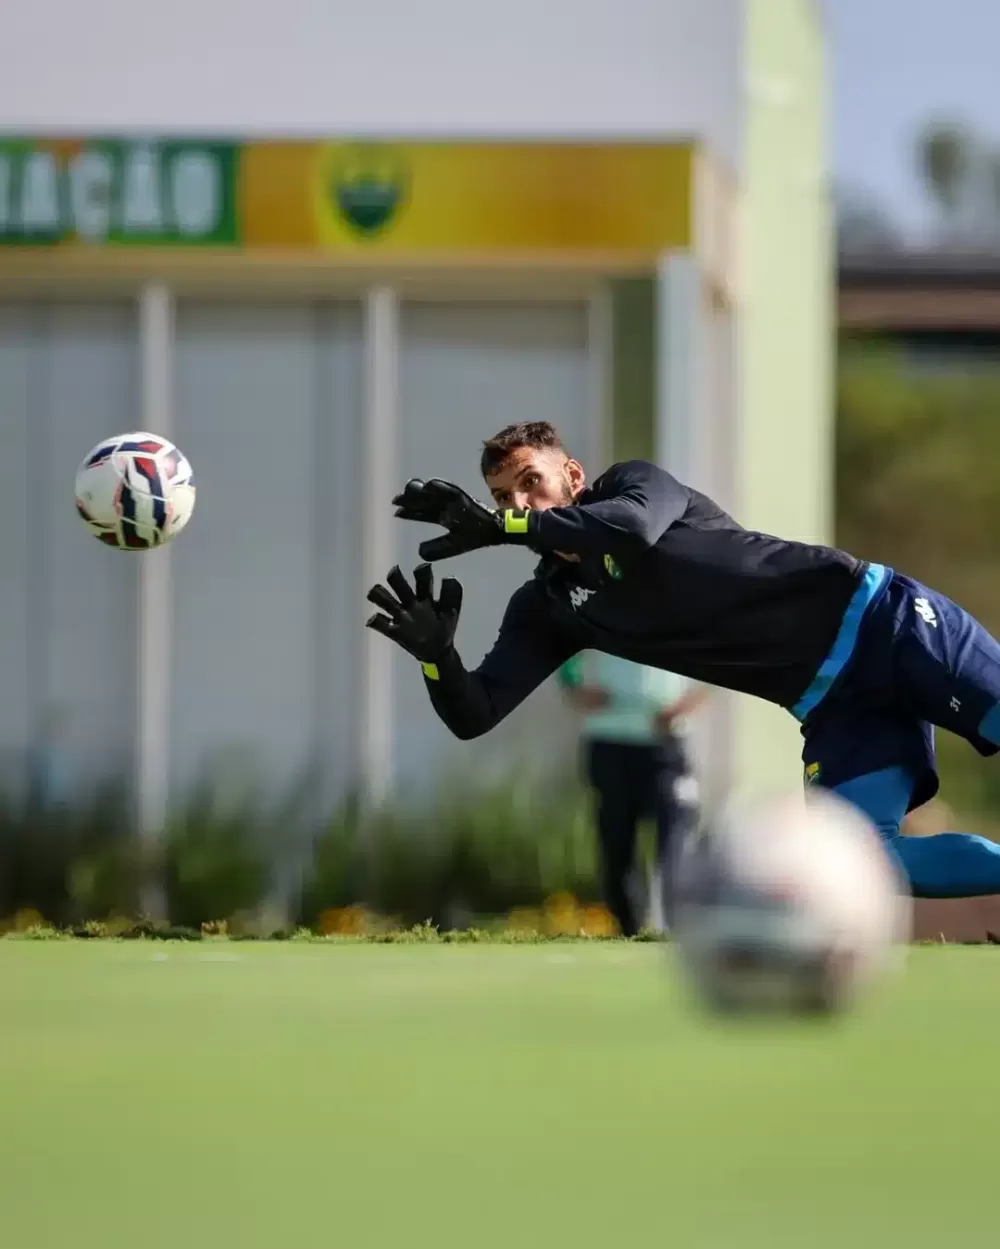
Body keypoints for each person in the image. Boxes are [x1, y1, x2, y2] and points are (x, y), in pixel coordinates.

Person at [365, 420, 1000, 900]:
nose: (518, 506)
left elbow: (631, 531)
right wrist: (436, 657)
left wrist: (501, 529)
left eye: (530, 482)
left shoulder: (635, 486)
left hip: (885, 621)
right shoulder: (548, 606)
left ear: (574, 476)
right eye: (503, 499)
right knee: (862, 863)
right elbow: (474, 712)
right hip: (835, 706)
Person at [558, 650, 706, 935]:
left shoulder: (687, 606)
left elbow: (720, 661)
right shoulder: (597, 605)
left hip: (666, 743)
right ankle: (631, 930)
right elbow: (563, 648)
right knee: (617, 850)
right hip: (609, 740)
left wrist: (685, 706)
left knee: (677, 840)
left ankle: (680, 931)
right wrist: (573, 685)